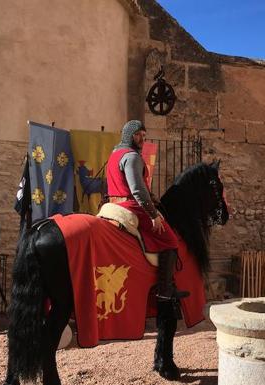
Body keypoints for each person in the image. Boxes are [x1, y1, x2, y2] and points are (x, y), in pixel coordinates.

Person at [105, 119, 186, 380]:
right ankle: (165, 289)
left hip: (112, 204)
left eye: (143, 134)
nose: (141, 138)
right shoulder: (131, 157)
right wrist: (153, 214)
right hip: (132, 207)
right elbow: (137, 189)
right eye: (138, 134)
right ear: (129, 135)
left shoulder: (114, 154)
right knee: (170, 240)